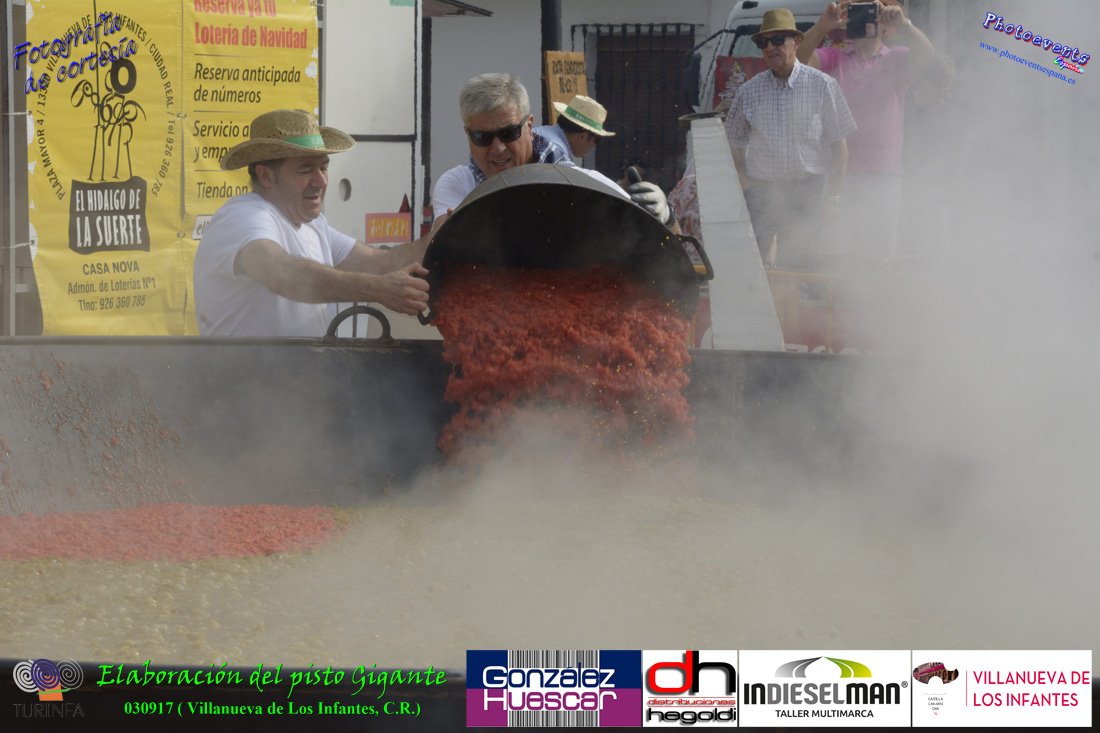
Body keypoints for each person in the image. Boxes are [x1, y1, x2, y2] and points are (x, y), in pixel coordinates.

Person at [193, 109, 429, 337]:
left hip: (300, 365)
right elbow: (281, 273)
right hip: (244, 367)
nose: (321, 181)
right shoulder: (243, 216)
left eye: (323, 167)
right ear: (266, 176)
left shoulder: (313, 225)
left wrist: (440, 234)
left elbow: (379, 264)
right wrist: (378, 289)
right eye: (305, 170)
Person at [432, 73, 673, 230]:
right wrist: (441, 235)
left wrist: (666, 215)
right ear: (468, 134)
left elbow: (660, 240)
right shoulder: (458, 185)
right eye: (482, 137)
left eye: (508, 133)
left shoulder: (581, 182)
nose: (498, 148)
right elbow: (434, 255)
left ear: (529, 126)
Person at [797, 0, 935, 272]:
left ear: (885, 25)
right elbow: (799, 62)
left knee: (877, 256)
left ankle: (873, 298)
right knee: (835, 255)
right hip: (839, 175)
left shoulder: (897, 59)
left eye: (874, 13)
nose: (867, 19)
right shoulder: (835, 57)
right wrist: (823, 25)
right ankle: (837, 298)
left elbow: (928, 55)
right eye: (859, 12)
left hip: (883, 173)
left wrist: (904, 24)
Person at [724, 8, 856, 271]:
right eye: (764, 42)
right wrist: (748, 188)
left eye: (777, 40)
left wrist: (832, 199)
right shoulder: (748, 92)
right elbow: (733, 148)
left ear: (796, 42)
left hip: (807, 194)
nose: (770, 47)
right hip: (761, 194)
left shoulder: (823, 85)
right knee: (753, 271)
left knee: (798, 270)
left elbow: (840, 149)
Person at [535, 94, 616, 162]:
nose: (594, 146)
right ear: (582, 136)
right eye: (597, 140)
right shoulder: (557, 155)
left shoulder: (539, 132)